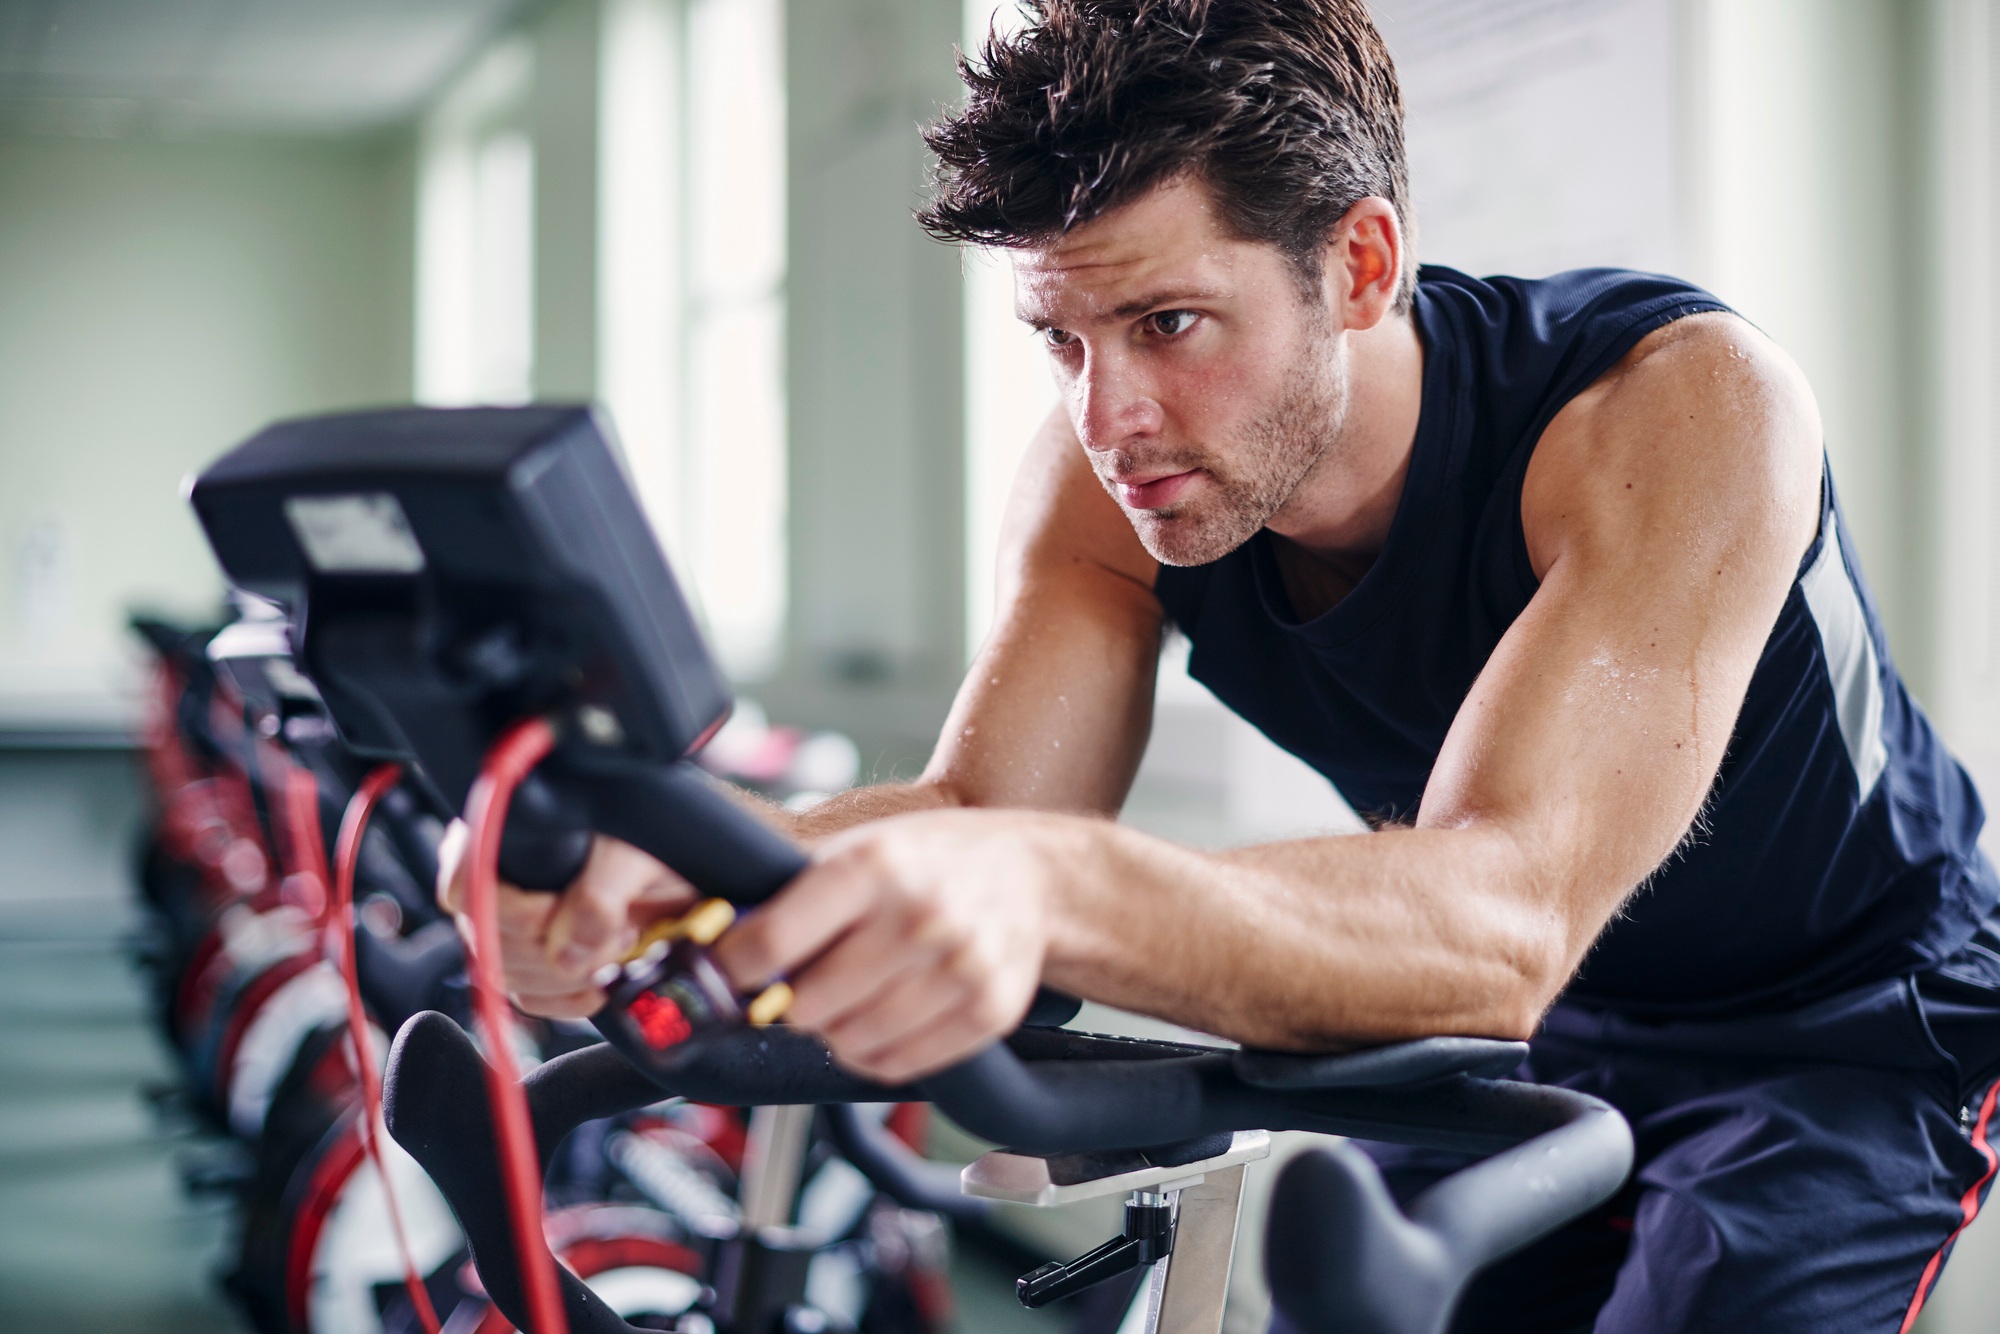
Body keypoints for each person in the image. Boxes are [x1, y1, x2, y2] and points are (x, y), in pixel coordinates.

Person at [443, 2, 2000, 1329]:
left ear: (1363, 263)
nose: (1109, 415)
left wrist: (1041, 879)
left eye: (1170, 321)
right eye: (1060, 338)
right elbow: (988, 802)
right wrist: (670, 864)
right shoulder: (1112, 469)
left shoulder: (1676, 413)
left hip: (1847, 1018)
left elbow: (1503, 904)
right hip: (1549, 1018)